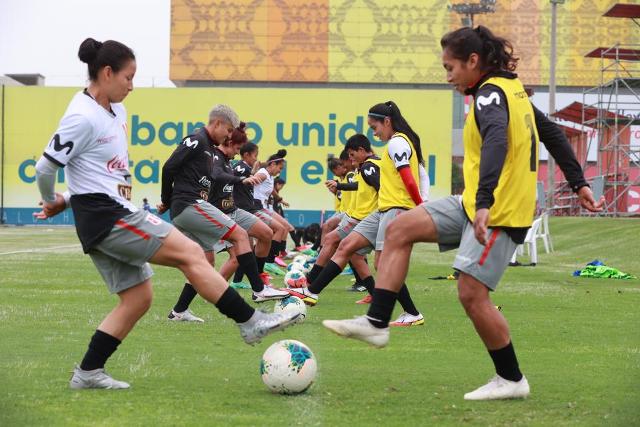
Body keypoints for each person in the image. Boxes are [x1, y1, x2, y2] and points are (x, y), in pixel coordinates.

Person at [323, 26, 605, 400]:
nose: (448, 76)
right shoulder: (510, 90)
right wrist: (578, 182)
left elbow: (497, 142)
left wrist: (486, 201)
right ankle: (378, 321)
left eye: (450, 67)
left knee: (471, 295)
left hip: (498, 212)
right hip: (475, 203)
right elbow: (550, 132)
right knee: (400, 229)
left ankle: (511, 379)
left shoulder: (490, 96)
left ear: (474, 61)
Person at [33, 38, 300, 390]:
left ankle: (88, 372)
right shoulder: (82, 116)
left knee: (138, 297)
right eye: (128, 77)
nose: (132, 85)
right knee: (192, 254)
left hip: (104, 213)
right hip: (109, 218)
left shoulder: (115, 111)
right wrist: (51, 198)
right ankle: (250, 321)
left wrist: (67, 198)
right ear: (107, 73)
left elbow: (95, 174)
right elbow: (44, 167)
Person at [291, 102, 426, 326]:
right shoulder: (394, 145)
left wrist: (421, 204)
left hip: (396, 209)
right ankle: (312, 292)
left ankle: (411, 313)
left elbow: (410, 177)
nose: (374, 133)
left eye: (375, 127)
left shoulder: (397, 143)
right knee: (346, 246)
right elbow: (419, 172)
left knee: (383, 265)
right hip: (383, 210)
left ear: (387, 122)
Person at [160, 114, 289, 321]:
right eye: (229, 133)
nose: (229, 137)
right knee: (240, 237)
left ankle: (179, 311)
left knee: (205, 261)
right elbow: (169, 167)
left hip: (191, 207)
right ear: (219, 126)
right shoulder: (200, 142)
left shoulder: (212, 152)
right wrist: (166, 199)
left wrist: (167, 201)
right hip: (192, 205)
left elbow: (203, 175)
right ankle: (259, 289)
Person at [252, 149, 295, 268]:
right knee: (279, 230)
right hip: (256, 208)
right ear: (272, 164)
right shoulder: (263, 174)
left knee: (283, 228)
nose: (280, 172)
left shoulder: (269, 176)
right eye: (280, 168)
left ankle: (270, 259)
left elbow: (271, 189)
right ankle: (270, 261)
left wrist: (280, 199)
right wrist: (252, 173)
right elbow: (250, 181)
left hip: (263, 208)